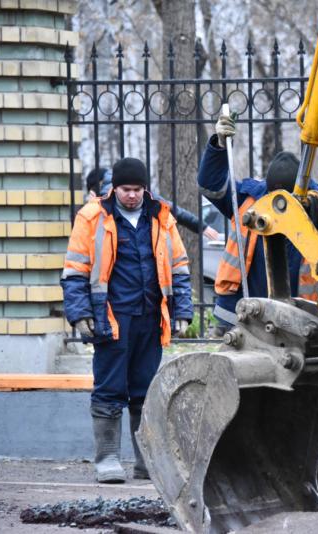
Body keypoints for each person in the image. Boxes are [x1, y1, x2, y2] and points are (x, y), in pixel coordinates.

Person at [196, 112, 318, 496]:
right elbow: (210, 184)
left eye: (290, 199)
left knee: (311, 389)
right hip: (245, 318)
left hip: (300, 320)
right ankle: (245, 469)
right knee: (249, 392)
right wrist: (216, 145)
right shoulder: (247, 199)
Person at [62, 157, 194, 483]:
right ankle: (107, 459)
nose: (132, 196)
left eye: (137, 189)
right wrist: (79, 314)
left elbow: (179, 267)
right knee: (109, 388)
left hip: (150, 317)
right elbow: (75, 270)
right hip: (111, 318)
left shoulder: (161, 217)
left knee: (145, 390)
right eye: (125, 189)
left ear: (145, 188)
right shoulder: (92, 217)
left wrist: (182, 311)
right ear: (114, 188)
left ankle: (144, 461)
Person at [83, 167, 221, 238]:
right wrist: (200, 226)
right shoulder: (140, 189)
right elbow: (170, 207)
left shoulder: (99, 199)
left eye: (135, 190)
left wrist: (92, 204)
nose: (131, 194)